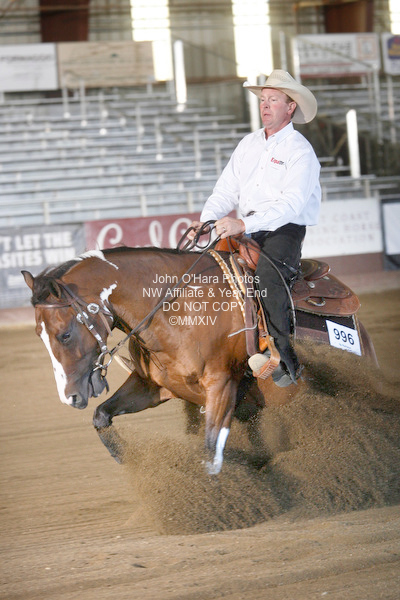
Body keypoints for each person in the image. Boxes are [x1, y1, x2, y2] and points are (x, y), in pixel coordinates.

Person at [189, 70, 321, 386]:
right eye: (263, 99)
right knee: (206, 272)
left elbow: (291, 204)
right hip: (247, 228)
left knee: (268, 278)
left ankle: (285, 362)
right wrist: (207, 220)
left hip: (284, 230)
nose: (265, 105)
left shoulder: (300, 151)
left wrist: (243, 223)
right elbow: (225, 190)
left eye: (273, 99)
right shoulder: (248, 144)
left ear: (290, 107)